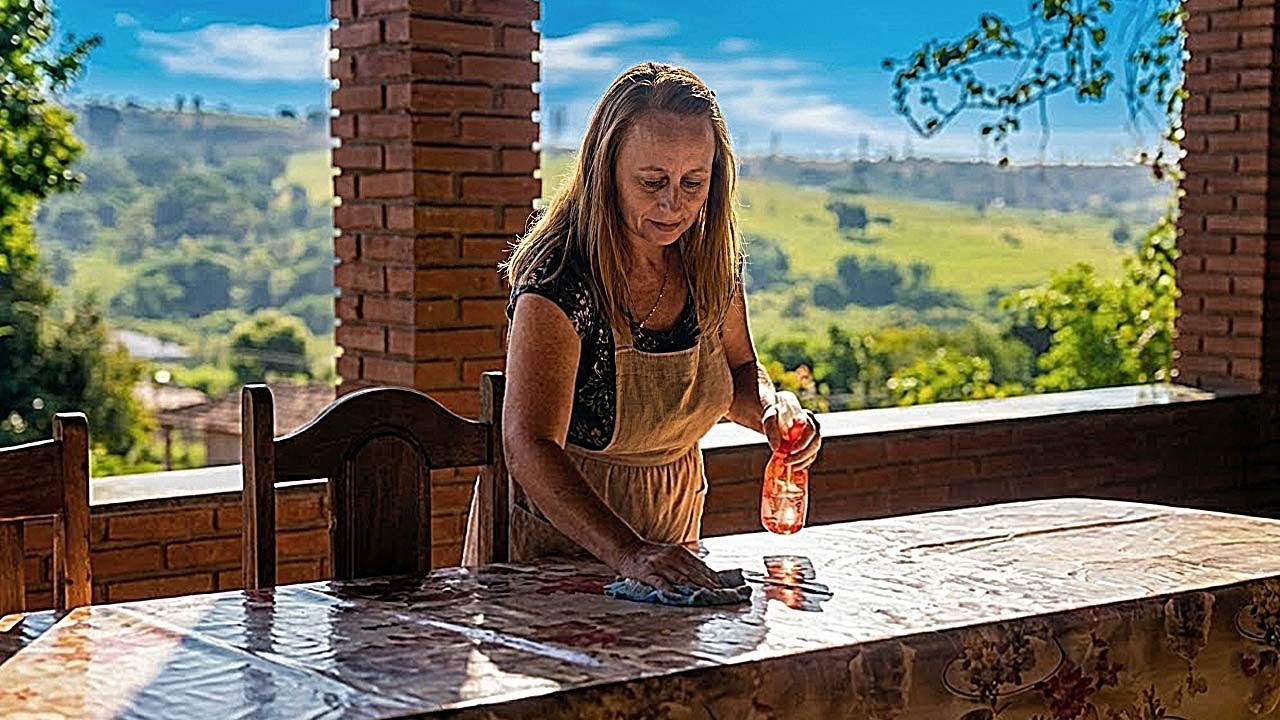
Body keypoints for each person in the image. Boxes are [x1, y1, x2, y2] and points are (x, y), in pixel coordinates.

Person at [465, 63, 821, 591]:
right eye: (652, 181)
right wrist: (629, 554)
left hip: (671, 526)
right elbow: (528, 443)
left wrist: (772, 411)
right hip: (558, 543)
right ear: (604, 171)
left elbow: (740, 370)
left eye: (693, 182)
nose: (672, 203)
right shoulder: (560, 279)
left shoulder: (712, 265)